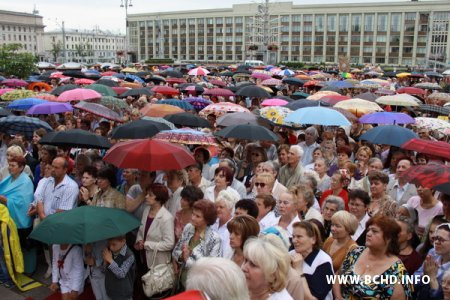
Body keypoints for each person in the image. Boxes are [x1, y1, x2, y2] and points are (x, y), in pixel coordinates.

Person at [334, 215, 413, 300]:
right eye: (368, 230)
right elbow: (338, 275)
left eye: (374, 231)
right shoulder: (356, 252)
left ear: (388, 238)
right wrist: (338, 296)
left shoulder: (397, 271)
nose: (368, 234)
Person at [172, 199, 222, 290]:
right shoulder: (188, 227)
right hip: (181, 281)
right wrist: (182, 256)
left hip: (198, 287)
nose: (193, 218)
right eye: (193, 214)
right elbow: (175, 251)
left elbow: (210, 268)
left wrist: (187, 259)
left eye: (198, 216)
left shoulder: (214, 239)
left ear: (207, 220)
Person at [135, 183, 175, 295]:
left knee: (156, 292)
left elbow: (169, 243)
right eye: (147, 194)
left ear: (159, 199)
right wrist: (139, 240)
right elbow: (142, 229)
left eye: (150, 195)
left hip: (158, 263)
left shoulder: (166, 218)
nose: (146, 196)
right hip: (143, 257)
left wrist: (147, 244)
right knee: (144, 288)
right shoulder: (147, 210)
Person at [0, 156, 35, 274]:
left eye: (13, 165)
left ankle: (27, 269)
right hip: (10, 218)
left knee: (24, 246)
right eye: (9, 165)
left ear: (21, 168)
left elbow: (23, 204)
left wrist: (4, 199)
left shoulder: (26, 181)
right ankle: (16, 267)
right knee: (12, 245)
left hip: (22, 220)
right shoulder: (10, 178)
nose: (10, 168)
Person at [290, 220, 333, 299]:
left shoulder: (323, 262)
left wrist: (299, 271)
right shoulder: (291, 254)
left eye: (299, 237)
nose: (294, 241)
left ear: (313, 239)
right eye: (293, 236)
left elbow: (313, 298)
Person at [242, 235, 293, 300]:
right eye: (245, 260)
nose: (243, 267)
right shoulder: (240, 292)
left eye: (253, 264)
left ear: (273, 274)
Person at [414, 223, 450, 300]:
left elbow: (443, 296)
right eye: (435, 238)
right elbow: (414, 280)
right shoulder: (433, 253)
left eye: (441, 239)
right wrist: (424, 275)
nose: (436, 242)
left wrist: (432, 278)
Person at [103, 236, 136, 300]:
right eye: (109, 244)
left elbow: (121, 274)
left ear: (123, 241)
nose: (111, 247)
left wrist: (110, 260)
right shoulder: (110, 252)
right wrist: (105, 262)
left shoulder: (129, 255)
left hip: (124, 294)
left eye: (114, 244)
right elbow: (104, 271)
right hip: (112, 292)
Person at [212, 189, 239, 259]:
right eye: (216, 207)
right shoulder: (213, 222)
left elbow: (227, 253)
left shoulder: (233, 227)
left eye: (221, 207)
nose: (218, 209)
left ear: (230, 209)